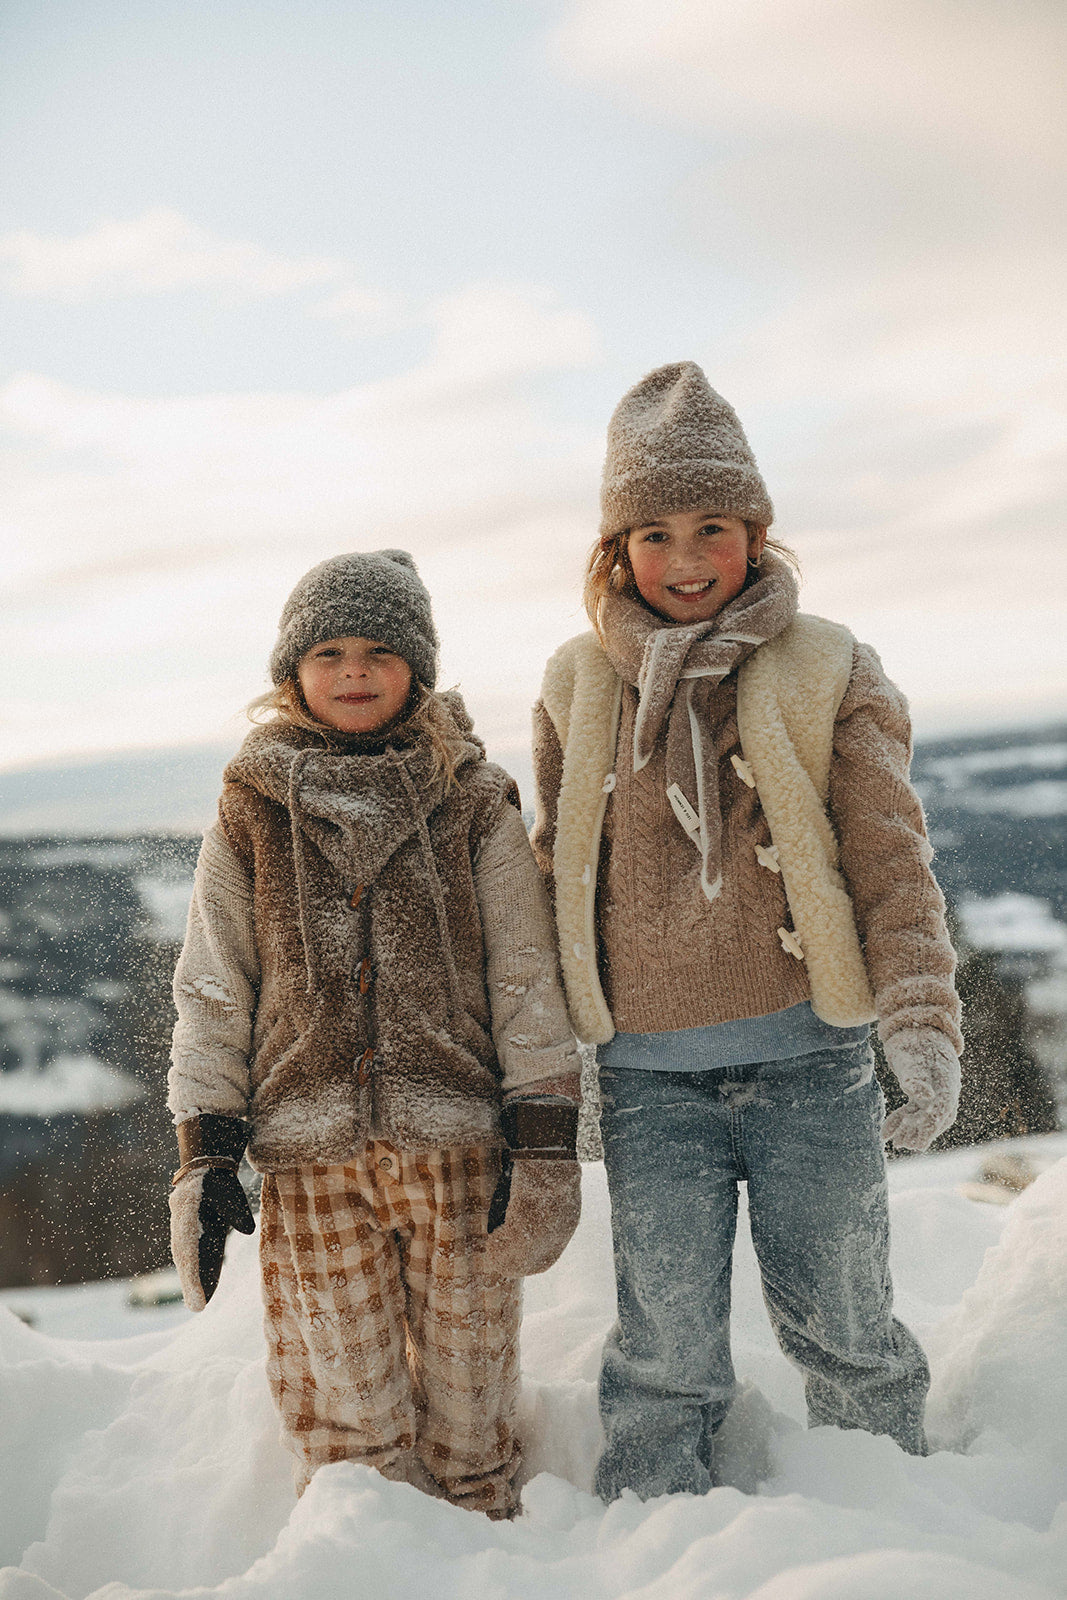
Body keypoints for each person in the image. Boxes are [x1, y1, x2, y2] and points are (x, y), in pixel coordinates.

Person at [531, 362, 962, 1500]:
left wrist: (917, 1016)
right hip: (646, 1080)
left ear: (756, 532)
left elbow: (887, 860)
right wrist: (530, 1059)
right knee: (663, 1345)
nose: (683, 559)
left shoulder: (825, 665)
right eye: (654, 532)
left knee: (845, 1322)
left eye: (710, 526)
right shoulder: (576, 685)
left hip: (809, 1062)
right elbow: (547, 885)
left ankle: (899, 1523)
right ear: (614, 549)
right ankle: (651, 1529)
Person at [167, 548, 582, 1518]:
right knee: (345, 1402)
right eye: (329, 651)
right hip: (309, 1152)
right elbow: (215, 984)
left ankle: (487, 1543)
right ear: (292, 673)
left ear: (418, 669)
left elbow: (523, 976)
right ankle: (363, 1546)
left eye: (379, 651)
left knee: (469, 1399)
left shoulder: (472, 798)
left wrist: (546, 1138)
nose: (354, 670)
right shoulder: (252, 805)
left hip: (457, 1148)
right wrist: (205, 1152)